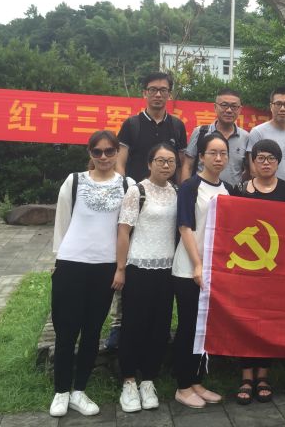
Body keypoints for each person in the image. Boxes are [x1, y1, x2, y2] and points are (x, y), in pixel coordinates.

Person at [49, 130, 132, 418]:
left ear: (117, 153)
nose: (104, 157)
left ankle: (79, 390)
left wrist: (121, 267)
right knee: (66, 330)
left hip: (105, 267)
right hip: (71, 263)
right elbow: (61, 223)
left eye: (109, 151)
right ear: (90, 153)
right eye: (98, 151)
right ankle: (61, 391)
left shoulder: (127, 185)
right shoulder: (74, 181)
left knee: (92, 331)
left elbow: (126, 229)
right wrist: (57, 260)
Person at [111, 71, 187, 349]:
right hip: (137, 199)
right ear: (144, 92)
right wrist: (129, 188)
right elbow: (120, 161)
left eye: (163, 90)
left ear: (169, 94)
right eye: (153, 89)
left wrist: (181, 192)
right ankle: (119, 324)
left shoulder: (177, 126)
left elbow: (182, 163)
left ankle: (159, 328)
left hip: (166, 200)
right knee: (128, 259)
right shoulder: (132, 125)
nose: (158, 94)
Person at [234, 139, 285, 404]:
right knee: (245, 321)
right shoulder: (240, 190)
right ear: (253, 161)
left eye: (271, 158)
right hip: (247, 266)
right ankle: (246, 376)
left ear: (278, 162)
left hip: (276, 267)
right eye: (260, 157)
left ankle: (263, 375)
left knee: (267, 321)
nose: (265, 163)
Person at [113, 143, 179, 413]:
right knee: (133, 325)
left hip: (167, 269)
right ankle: (129, 381)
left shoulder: (176, 192)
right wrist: (120, 268)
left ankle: (149, 379)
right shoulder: (136, 191)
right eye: (160, 160)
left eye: (171, 161)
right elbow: (123, 231)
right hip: (138, 267)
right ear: (149, 163)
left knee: (160, 327)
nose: (166, 165)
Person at [171, 132, 229, 408]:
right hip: (188, 268)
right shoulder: (190, 187)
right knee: (187, 326)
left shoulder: (228, 189)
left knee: (202, 328)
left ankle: (196, 381)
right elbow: (185, 227)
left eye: (223, 153)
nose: (218, 158)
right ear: (202, 157)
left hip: (214, 270)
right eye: (212, 153)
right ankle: (182, 386)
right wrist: (197, 264)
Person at [181, 87, 249, 187]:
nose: (229, 110)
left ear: (240, 109)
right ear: (215, 107)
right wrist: (185, 190)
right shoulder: (201, 132)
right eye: (224, 105)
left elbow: (248, 170)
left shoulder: (246, 137)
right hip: (201, 193)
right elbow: (188, 165)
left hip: (231, 194)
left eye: (234, 106)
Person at [246, 86, 285, 184]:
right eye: (278, 104)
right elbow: (253, 169)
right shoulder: (258, 132)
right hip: (265, 191)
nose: (282, 109)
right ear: (271, 106)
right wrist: (271, 189)